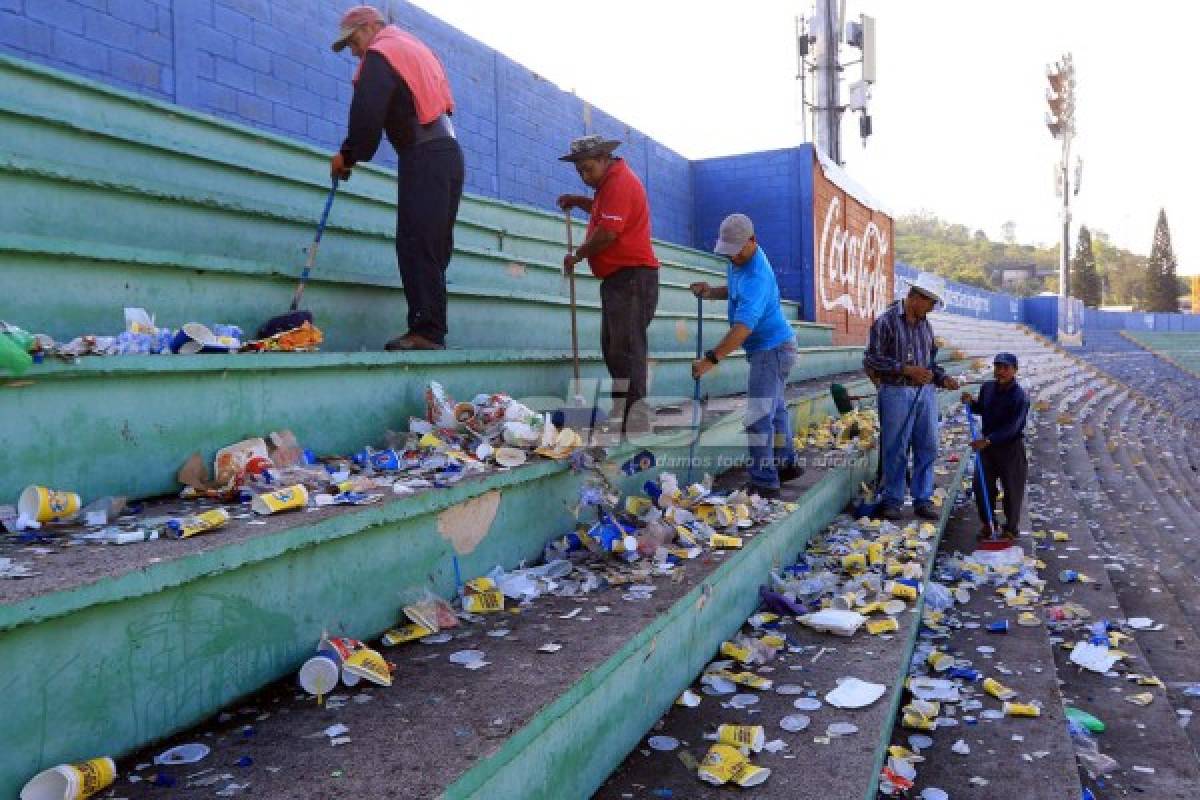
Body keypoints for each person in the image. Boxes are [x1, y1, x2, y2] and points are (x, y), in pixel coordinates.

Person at [330, 6, 464, 351]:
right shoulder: (415, 47)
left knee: (417, 243)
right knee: (433, 246)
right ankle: (432, 328)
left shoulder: (381, 52)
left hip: (424, 155)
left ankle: (427, 331)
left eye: (354, 39)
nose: (355, 50)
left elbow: (366, 120)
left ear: (373, 27)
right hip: (448, 153)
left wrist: (347, 155)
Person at [690, 214, 802, 499]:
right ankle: (785, 463)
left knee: (758, 416)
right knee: (774, 411)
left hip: (771, 349)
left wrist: (710, 360)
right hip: (775, 346)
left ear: (753, 242)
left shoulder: (757, 275)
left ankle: (764, 481)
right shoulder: (738, 260)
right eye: (728, 252)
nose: (733, 258)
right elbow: (733, 289)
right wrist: (711, 292)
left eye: (737, 251)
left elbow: (742, 328)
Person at [557, 135, 660, 434]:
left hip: (632, 277)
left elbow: (608, 233)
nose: (585, 176)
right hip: (620, 278)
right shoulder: (608, 185)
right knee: (614, 349)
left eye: (588, 169)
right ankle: (624, 411)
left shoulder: (618, 183)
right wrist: (580, 202)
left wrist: (578, 254)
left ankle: (636, 418)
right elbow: (606, 214)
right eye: (580, 172)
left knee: (626, 349)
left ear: (604, 158)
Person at [863, 274, 961, 520]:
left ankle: (922, 499)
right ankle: (893, 500)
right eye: (930, 302)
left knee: (927, 446)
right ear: (916, 298)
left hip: (924, 394)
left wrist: (942, 378)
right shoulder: (885, 322)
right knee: (896, 448)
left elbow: (930, 364)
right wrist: (907, 370)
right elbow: (872, 359)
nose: (931, 308)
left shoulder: (926, 327)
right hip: (895, 392)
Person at [962, 352, 1029, 539]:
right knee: (981, 486)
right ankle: (989, 523)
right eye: (998, 367)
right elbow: (983, 408)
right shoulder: (988, 388)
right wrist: (972, 403)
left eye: (1005, 368)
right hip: (988, 449)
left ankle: (1011, 529)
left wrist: (988, 440)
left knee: (1012, 490)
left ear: (1015, 370)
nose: (1000, 371)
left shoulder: (1020, 397)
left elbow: (1013, 428)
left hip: (1010, 448)